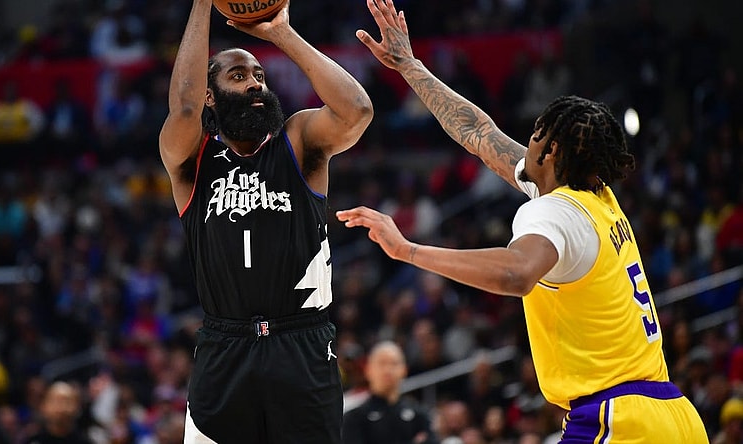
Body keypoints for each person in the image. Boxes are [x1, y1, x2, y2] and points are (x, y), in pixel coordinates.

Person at [337, 0, 708, 442]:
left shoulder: (553, 212)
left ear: (549, 153)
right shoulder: (594, 200)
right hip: (673, 414)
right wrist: (410, 66)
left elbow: (516, 274)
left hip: (620, 419)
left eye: (534, 133)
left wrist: (407, 250)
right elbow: (481, 135)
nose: (524, 140)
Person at [157, 0, 372, 442]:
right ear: (210, 96)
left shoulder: (297, 142)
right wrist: (203, 3)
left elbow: (357, 110)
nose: (256, 84)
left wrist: (281, 34)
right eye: (239, 76)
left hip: (302, 343)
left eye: (260, 75)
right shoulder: (193, 160)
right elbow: (182, 109)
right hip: (224, 347)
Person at [343, 341, 438, 444]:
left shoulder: (420, 415)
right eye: (382, 363)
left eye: (394, 363)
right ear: (368, 370)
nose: (388, 370)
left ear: (404, 370)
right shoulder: (354, 418)